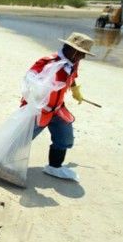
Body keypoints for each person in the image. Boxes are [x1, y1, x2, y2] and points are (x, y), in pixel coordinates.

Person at [22, 32, 96, 181]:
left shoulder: (73, 61)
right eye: (81, 53)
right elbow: (28, 81)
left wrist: (75, 90)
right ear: (71, 49)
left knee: (65, 138)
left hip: (57, 109)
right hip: (40, 110)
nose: (83, 57)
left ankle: (54, 167)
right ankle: (0, 159)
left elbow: (72, 75)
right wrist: (32, 105)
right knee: (22, 138)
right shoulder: (47, 62)